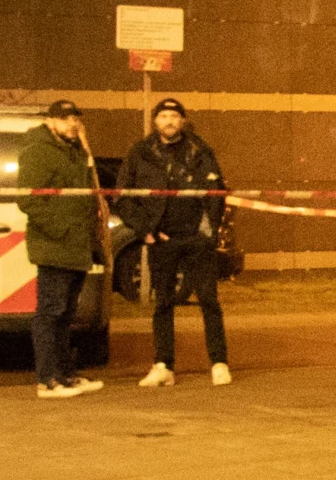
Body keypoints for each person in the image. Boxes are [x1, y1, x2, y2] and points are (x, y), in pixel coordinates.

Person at [117, 97, 233, 387]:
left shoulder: (201, 150)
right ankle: (164, 365)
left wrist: (210, 230)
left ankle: (219, 363)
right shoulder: (140, 153)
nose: (169, 121)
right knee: (163, 303)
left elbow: (217, 192)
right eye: (163, 116)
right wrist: (145, 230)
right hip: (162, 239)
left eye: (174, 116)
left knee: (209, 300)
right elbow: (122, 196)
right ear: (155, 121)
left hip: (197, 238)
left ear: (182, 121)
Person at [16, 99, 107, 400]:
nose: (72, 124)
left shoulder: (75, 150)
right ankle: (48, 380)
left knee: (66, 314)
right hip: (55, 245)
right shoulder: (39, 151)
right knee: (50, 313)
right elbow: (29, 200)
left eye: (76, 118)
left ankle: (66, 375)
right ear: (50, 121)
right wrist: (63, 229)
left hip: (76, 246)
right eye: (66, 119)